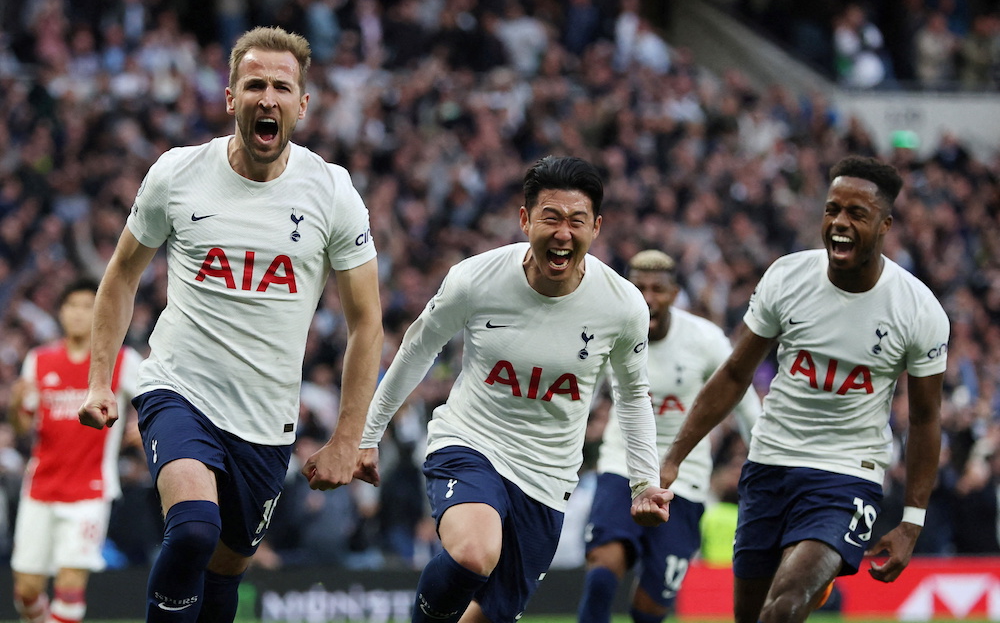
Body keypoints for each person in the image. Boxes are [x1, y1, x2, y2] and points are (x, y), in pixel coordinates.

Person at [77, 26, 384, 623]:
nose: (267, 97)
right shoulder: (177, 174)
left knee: (224, 572)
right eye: (254, 85)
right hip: (179, 389)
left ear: (302, 104)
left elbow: (367, 323)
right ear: (229, 98)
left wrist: (349, 437)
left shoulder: (332, 191)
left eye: (280, 86)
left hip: (266, 421)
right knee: (192, 530)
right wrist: (99, 380)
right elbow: (120, 275)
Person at [357, 155, 673, 623]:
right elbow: (417, 349)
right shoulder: (475, 279)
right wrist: (368, 435)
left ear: (596, 228)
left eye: (576, 221)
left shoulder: (622, 305)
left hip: (547, 476)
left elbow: (631, 395)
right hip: (470, 441)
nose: (563, 233)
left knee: (488, 615)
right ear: (525, 220)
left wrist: (645, 481)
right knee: (473, 552)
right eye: (551, 217)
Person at [661, 155, 950, 623]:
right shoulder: (787, 277)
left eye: (857, 214)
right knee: (752, 616)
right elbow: (735, 374)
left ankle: (818, 567)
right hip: (769, 465)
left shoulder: (918, 310)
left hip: (847, 474)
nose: (839, 222)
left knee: (785, 605)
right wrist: (672, 457)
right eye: (832, 209)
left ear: (885, 225)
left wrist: (912, 522)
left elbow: (925, 419)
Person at [577, 250, 760, 623]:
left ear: (675, 293)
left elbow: (742, 398)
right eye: (639, 287)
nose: (648, 297)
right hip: (621, 466)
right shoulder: (610, 335)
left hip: (686, 479)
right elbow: (581, 399)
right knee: (602, 570)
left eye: (658, 289)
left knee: (651, 608)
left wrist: (763, 456)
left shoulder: (704, 339)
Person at [9, 278, 142, 623]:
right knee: (26, 590)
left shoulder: (122, 359)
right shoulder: (38, 360)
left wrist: (143, 425)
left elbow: (154, 397)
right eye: (73, 306)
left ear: (100, 311)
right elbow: (23, 426)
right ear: (61, 312)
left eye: (88, 306)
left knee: (69, 584)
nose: (80, 314)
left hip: (90, 489)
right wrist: (14, 407)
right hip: (40, 486)